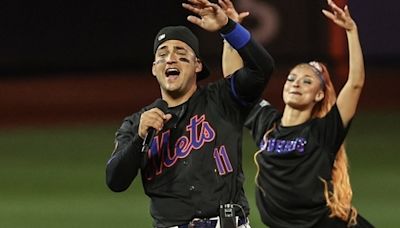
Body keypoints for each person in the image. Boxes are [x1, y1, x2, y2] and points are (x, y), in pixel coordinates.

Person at [105, 0, 275, 227]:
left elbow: (262, 67)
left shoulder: (224, 98)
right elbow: (115, 181)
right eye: (162, 54)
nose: (171, 58)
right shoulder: (137, 122)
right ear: (155, 68)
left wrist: (228, 27)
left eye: (181, 52)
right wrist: (139, 139)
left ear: (197, 65)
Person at [223, 0, 374, 227]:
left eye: (307, 81)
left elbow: (355, 84)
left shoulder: (323, 131)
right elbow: (234, 80)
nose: (296, 84)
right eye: (292, 78)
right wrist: (230, 30)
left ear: (319, 95)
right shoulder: (267, 123)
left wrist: (351, 31)